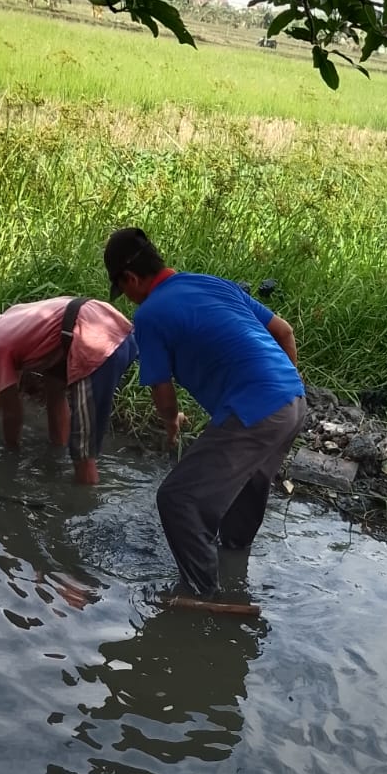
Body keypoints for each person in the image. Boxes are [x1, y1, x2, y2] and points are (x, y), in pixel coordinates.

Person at [104, 227, 306, 596]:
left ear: (130, 278)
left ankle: (202, 597)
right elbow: (285, 332)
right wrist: (283, 385)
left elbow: (162, 389)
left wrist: (171, 423)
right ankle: (235, 572)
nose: (129, 299)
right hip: (293, 400)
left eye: (124, 290)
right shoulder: (212, 283)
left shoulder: (150, 314)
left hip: (254, 409)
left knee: (178, 499)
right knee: (246, 489)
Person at [0, 294, 136, 486]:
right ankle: (58, 450)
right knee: (54, 386)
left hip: (96, 342)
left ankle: (84, 497)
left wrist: (11, 452)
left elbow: (12, 411)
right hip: (115, 325)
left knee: (83, 448)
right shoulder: (9, 319)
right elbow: (4, 390)